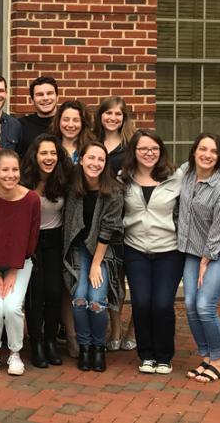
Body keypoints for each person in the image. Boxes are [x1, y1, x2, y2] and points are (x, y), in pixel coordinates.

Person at [179, 133, 220, 383]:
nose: (207, 155)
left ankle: (218, 362)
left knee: (205, 304)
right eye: (202, 149)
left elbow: (218, 233)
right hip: (194, 249)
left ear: (219, 157)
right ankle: (206, 358)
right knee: (190, 304)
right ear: (194, 152)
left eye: (213, 151)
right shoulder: (186, 174)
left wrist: (206, 260)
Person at [121, 129, 184, 375]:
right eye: (143, 149)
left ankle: (164, 356)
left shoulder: (176, 177)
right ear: (134, 152)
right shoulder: (123, 178)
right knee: (140, 302)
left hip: (169, 250)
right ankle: (146, 355)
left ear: (161, 151)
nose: (149, 153)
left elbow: (204, 197)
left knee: (162, 304)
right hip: (135, 250)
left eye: (154, 149)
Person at [0, 149, 41, 375]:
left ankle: (14, 354)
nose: (10, 175)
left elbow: (30, 241)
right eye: (5, 170)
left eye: (15, 170)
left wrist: (12, 272)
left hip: (20, 263)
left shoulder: (32, 199)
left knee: (12, 307)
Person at [63, 141, 124, 372]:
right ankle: (85, 347)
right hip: (78, 248)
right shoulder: (72, 187)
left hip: (103, 252)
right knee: (79, 300)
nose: (95, 163)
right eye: (91, 158)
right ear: (81, 159)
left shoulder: (114, 190)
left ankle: (99, 348)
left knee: (97, 302)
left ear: (105, 163)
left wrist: (96, 264)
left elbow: (109, 229)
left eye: (101, 159)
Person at [20, 133, 73, 368]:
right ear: (35, 155)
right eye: (44, 153)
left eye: (53, 153)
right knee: (35, 294)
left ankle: (51, 341)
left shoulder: (63, 181)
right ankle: (37, 344)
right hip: (29, 242)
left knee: (53, 292)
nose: (49, 158)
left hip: (54, 241)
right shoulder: (23, 181)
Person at [95, 96, 136, 351]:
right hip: (102, 219)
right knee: (113, 280)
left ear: (124, 118)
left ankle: (133, 329)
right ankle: (115, 329)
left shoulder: (131, 146)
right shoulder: (92, 143)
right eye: (108, 113)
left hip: (130, 218)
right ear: (101, 116)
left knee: (132, 279)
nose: (112, 118)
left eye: (118, 114)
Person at [18, 76, 59, 150]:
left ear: (57, 97)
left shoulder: (67, 124)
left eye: (49, 93)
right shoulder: (21, 126)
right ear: (32, 100)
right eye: (40, 95)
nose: (45, 98)